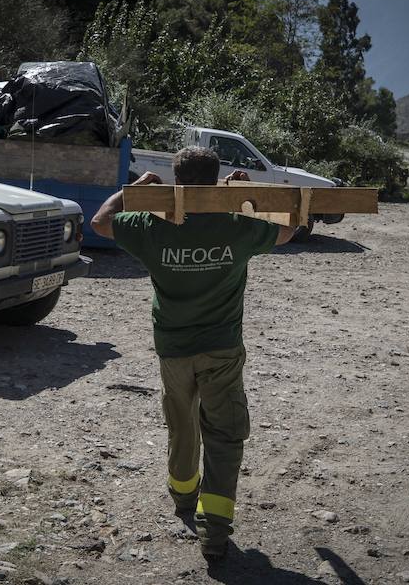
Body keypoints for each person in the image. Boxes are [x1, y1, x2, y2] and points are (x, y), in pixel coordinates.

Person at [91, 146, 294, 560]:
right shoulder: (237, 224)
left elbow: (100, 222)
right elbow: (289, 229)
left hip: (173, 349)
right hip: (221, 350)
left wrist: (134, 191)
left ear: (176, 179)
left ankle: (184, 498)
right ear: (215, 176)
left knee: (182, 424)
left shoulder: (151, 225)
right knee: (223, 435)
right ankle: (214, 532)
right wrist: (246, 197)